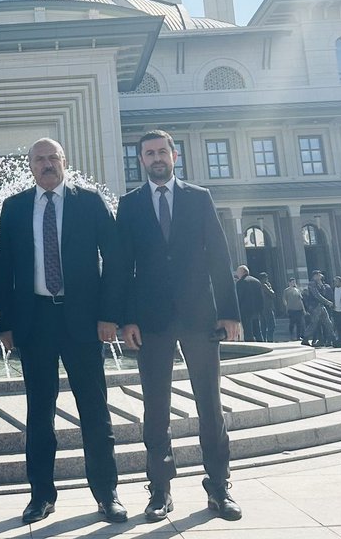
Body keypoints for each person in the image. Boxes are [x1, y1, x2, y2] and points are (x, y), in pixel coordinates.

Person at [0, 138, 127, 525]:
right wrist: (6, 324)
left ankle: (106, 493)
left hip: (85, 320)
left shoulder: (89, 201)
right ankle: (40, 496)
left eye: (53, 157)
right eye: (39, 159)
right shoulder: (15, 207)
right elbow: (3, 269)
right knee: (39, 413)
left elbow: (116, 258)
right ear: (30, 166)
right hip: (35, 322)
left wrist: (109, 314)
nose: (47, 164)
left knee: (95, 411)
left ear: (64, 162)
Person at [116, 129, 242, 524]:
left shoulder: (198, 198)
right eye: (148, 153)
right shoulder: (130, 204)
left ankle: (219, 486)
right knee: (155, 408)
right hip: (150, 321)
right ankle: (159, 490)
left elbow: (219, 255)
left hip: (200, 317)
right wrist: (125, 319)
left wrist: (230, 312)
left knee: (210, 403)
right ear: (141, 160)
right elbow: (121, 266)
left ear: (175, 155)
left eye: (161, 152)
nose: (156, 158)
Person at [302, 273, 334, 347]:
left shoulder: (320, 283)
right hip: (315, 306)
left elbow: (324, 293)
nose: (321, 276)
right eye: (319, 275)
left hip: (321, 306)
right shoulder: (312, 284)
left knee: (328, 322)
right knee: (314, 323)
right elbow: (317, 295)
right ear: (315, 276)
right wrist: (327, 302)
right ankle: (305, 338)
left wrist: (321, 285)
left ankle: (333, 338)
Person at [234, 267, 264, 342]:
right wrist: (260, 310)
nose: (236, 273)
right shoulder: (257, 281)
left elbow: (239, 298)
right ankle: (262, 345)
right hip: (256, 311)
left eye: (237, 271)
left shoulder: (241, 283)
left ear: (242, 272)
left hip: (245, 311)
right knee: (258, 332)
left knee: (248, 333)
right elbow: (261, 297)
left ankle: (251, 347)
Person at [259, 273, 276, 343]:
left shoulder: (259, 285)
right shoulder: (265, 285)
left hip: (262, 308)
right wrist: (270, 287)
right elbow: (273, 294)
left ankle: (264, 340)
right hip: (268, 308)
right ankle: (270, 340)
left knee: (263, 325)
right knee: (272, 325)